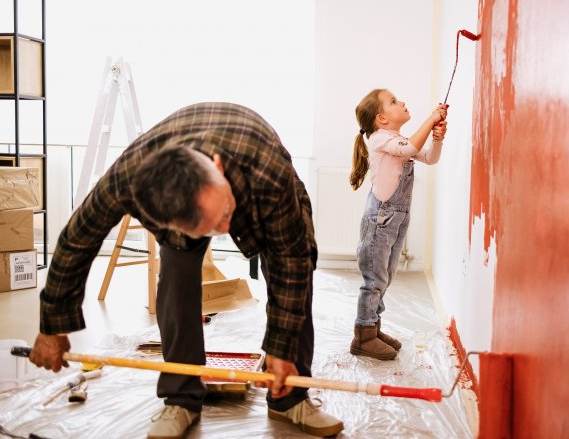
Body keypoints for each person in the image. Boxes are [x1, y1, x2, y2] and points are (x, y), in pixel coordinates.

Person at [28, 102, 344, 438]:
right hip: (188, 198)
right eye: (210, 227)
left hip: (255, 170)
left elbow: (290, 262)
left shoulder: (269, 173)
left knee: (298, 274)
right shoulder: (128, 180)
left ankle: (290, 397)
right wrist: (52, 326)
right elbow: (77, 240)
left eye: (224, 214)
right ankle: (181, 398)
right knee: (176, 277)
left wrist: (282, 348)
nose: (225, 229)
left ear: (218, 168)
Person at [349, 89, 448, 360]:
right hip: (380, 220)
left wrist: (437, 139)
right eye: (394, 101)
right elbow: (413, 149)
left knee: (385, 277)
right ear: (381, 118)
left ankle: (373, 326)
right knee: (374, 279)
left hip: (396, 218)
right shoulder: (381, 139)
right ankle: (363, 336)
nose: (402, 102)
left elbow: (429, 156)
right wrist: (431, 120)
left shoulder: (397, 138)